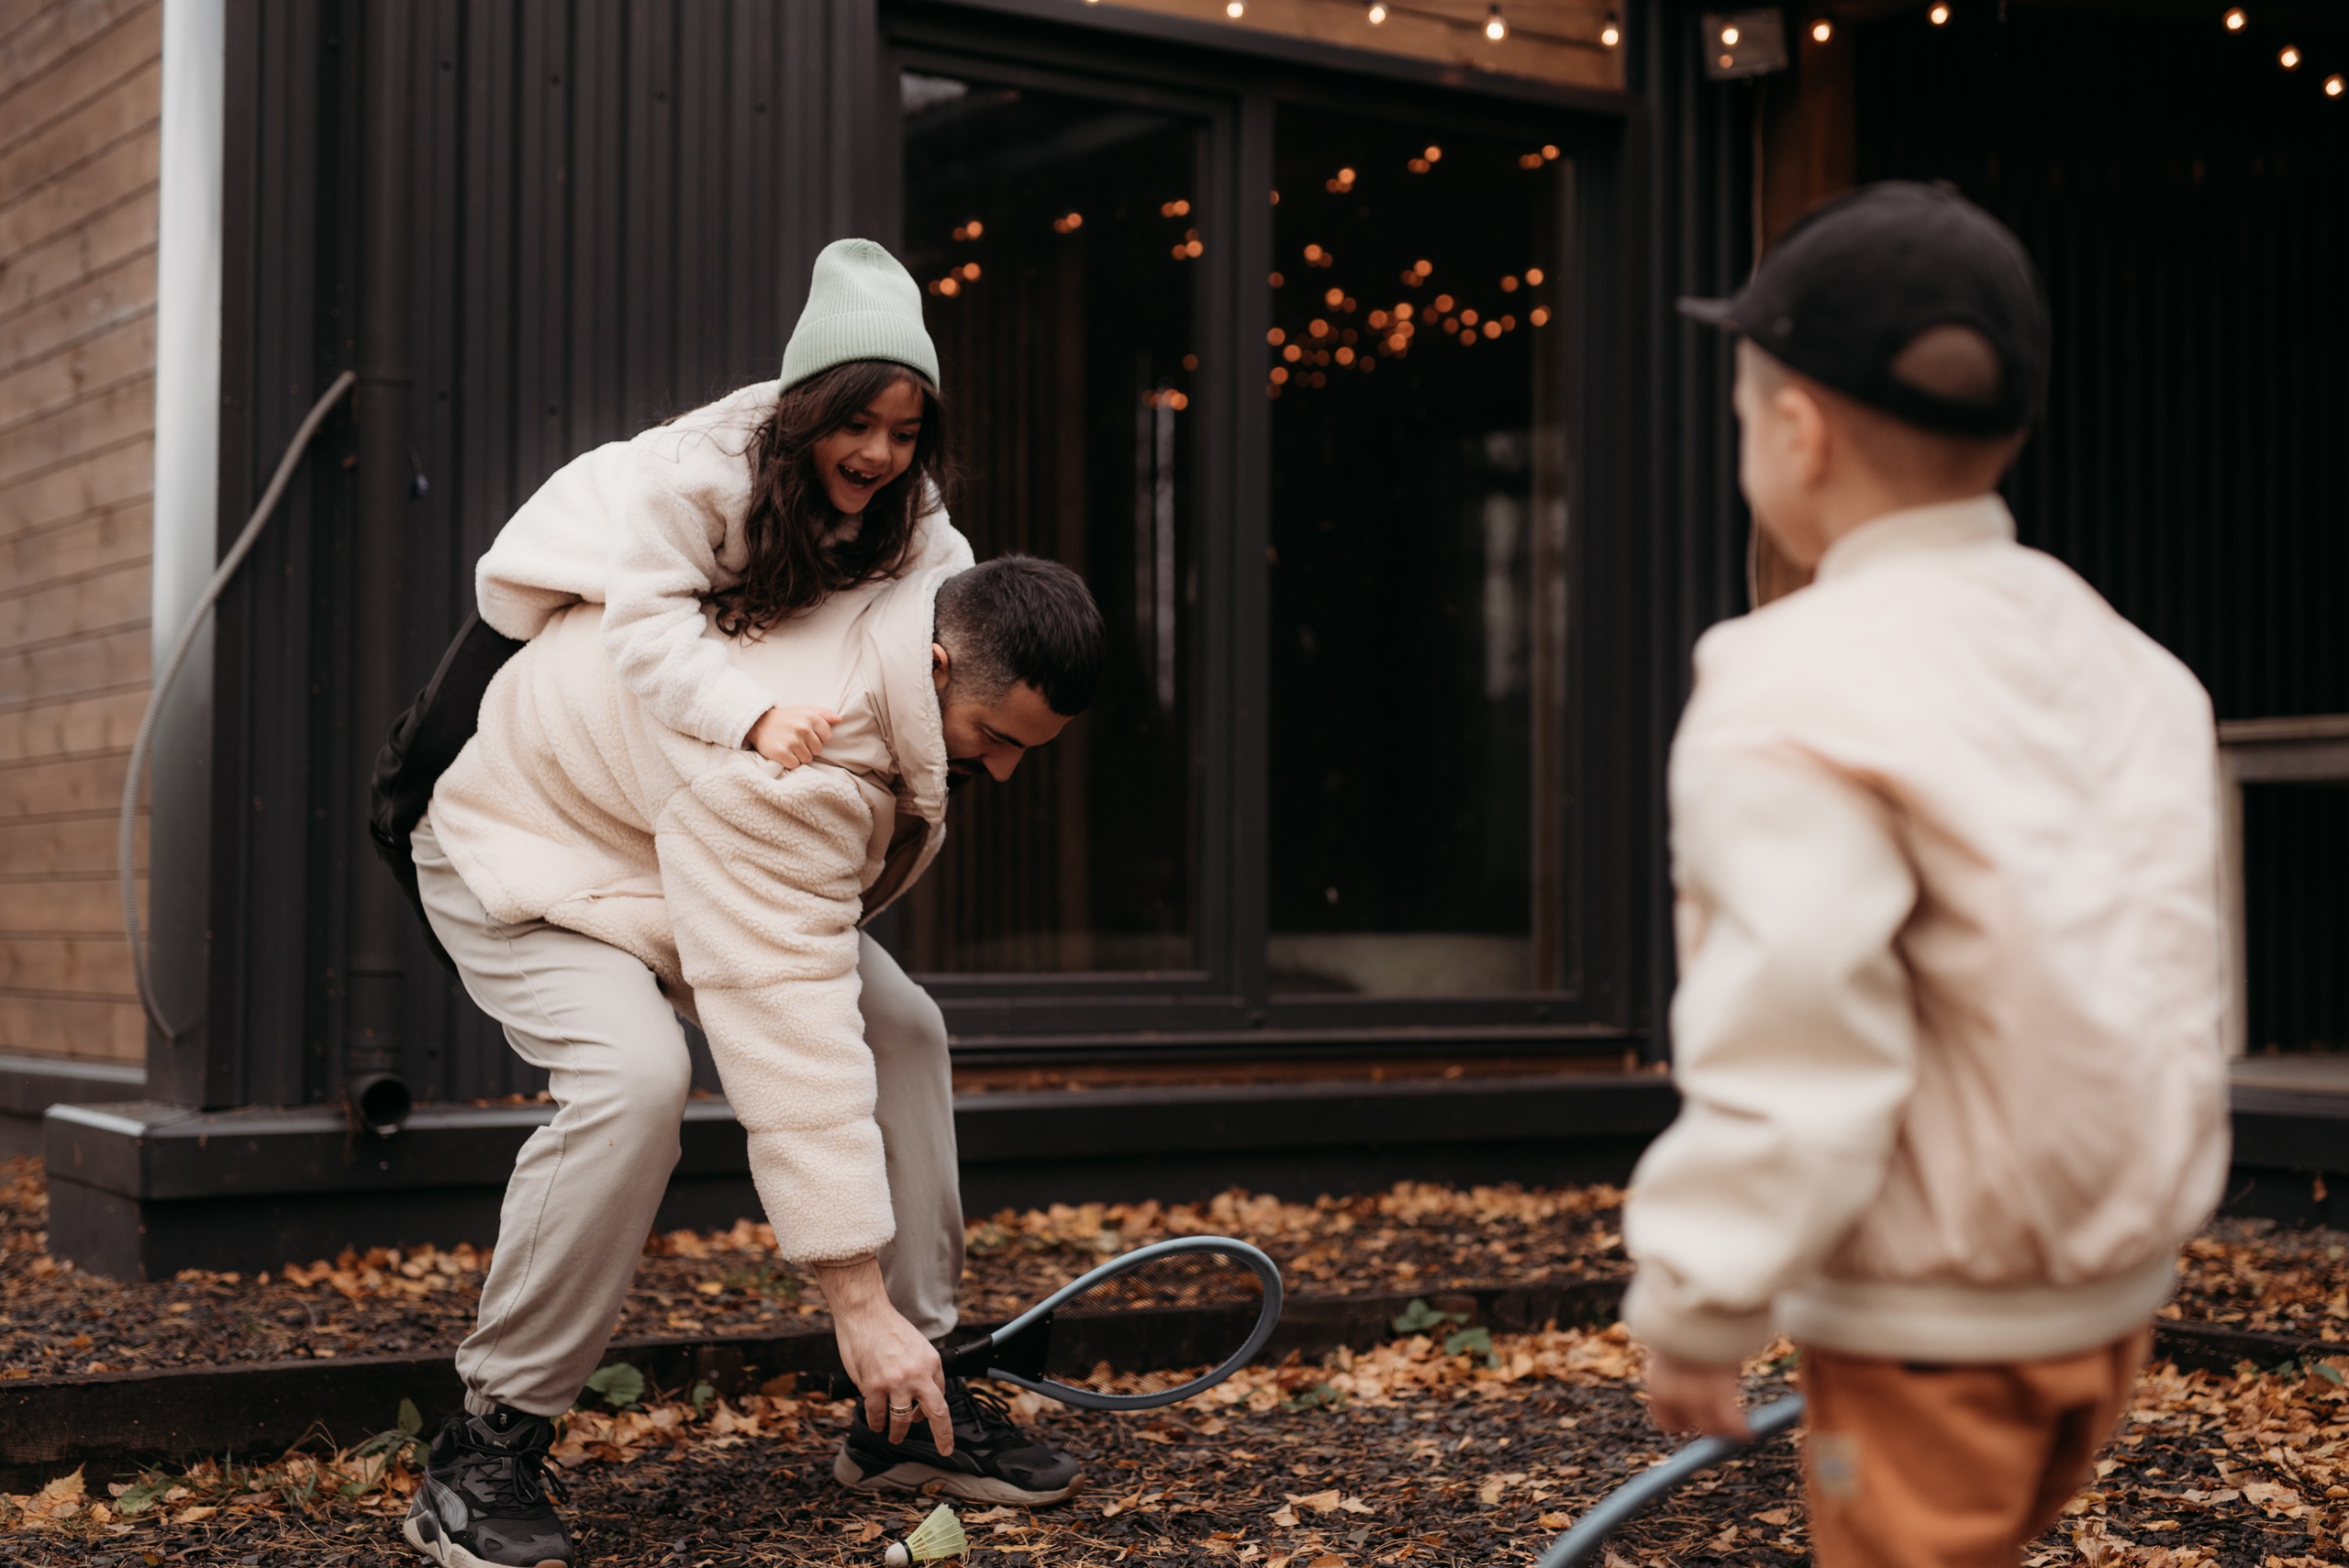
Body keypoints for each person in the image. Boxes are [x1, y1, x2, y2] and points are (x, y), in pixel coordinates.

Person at [1623, 182, 2230, 1568]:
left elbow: (1794, 1032)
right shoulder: (2138, 671)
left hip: (1930, 1326)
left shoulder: (1788, 689)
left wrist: (1700, 1305)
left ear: (1798, 431)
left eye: (1739, 413)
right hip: (2108, 1300)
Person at [400, 555, 1105, 1568]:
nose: (1002, 771)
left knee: (902, 1027)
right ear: (938, 666)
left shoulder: (925, 599)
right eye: (995, 739)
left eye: (1028, 749)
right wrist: (851, 1299)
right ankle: (487, 1438)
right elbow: (789, 1032)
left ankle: (908, 1403)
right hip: (530, 842)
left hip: (682, 840)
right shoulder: (806, 757)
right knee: (634, 1077)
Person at [474, 236, 963, 775]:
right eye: (856, 425)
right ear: (808, 412)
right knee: (427, 754)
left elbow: (953, 586)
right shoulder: (702, 469)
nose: (878, 453)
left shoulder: (907, 497)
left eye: (905, 434)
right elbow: (644, 625)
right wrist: (754, 718)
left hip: (682, 581)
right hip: (567, 554)